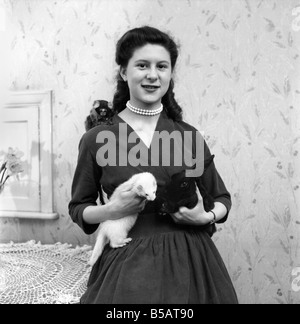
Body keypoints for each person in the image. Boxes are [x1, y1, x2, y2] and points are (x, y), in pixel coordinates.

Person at [69, 26, 238, 304]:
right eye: (142, 65)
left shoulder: (188, 136)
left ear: (170, 74)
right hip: (127, 269)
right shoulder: (96, 140)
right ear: (124, 72)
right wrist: (111, 209)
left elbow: (221, 199)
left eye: (162, 66)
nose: (152, 75)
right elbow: (78, 208)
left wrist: (204, 217)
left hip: (193, 265)